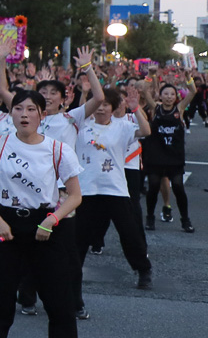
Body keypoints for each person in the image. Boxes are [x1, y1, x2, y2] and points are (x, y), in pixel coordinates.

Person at [0, 88, 85, 338]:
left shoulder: (58, 150)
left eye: (31, 109)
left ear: (41, 115)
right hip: (6, 224)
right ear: (11, 114)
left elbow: (75, 195)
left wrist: (52, 219)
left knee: (59, 297)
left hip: (45, 226)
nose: (24, 114)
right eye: (18, 108)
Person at [72, 67, 152, 292]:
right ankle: (71, 275)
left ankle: (143, 269)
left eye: (107, 104)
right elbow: (79, 110)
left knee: (129, 232)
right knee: (80, 237)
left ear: (114, 107)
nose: (102, 108)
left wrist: (136, 109)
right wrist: (85, 90)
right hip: (86, 188)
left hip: (115, 188)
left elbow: (145, 131)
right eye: (99, 103)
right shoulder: (81, 126)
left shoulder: (123, 126)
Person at [142, 81, 191, 232]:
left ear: (175, 96)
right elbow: (144, 91)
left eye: (172, 94)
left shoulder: (179, 109)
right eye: (166, 94)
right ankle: (150, 218)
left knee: (178, 186)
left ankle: (185, 219)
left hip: (174, 157)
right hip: (156, 156)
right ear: (160, 96)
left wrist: (188, 78)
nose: (169, 97)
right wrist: (150, 76)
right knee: (154, 186)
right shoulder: (156, 109)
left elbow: (193, 92)